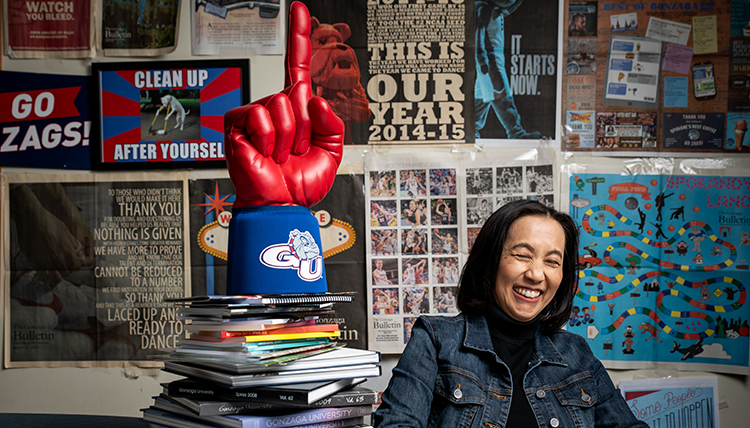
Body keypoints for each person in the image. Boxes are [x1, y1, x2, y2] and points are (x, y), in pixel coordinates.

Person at [375, 199, 648, 427]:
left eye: (552, 261)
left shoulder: (576, 353)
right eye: (522, 255)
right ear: (491, 260)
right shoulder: (436, 340)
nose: (536, 274)